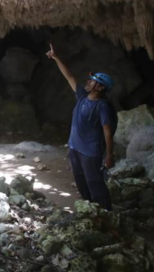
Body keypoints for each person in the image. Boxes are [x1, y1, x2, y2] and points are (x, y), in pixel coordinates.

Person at [46, 44, 115, 210]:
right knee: (80, 181)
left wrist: (109, 155)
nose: (88, 82)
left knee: (95, 182)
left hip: (90, 152)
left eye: (93, 81)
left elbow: (107, 132)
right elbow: (69, 77)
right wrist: (56, 58)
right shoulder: (82, 97)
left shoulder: (102, 106)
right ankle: (89, 209)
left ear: (100, 87)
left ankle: (105, 212)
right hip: (75, 148)